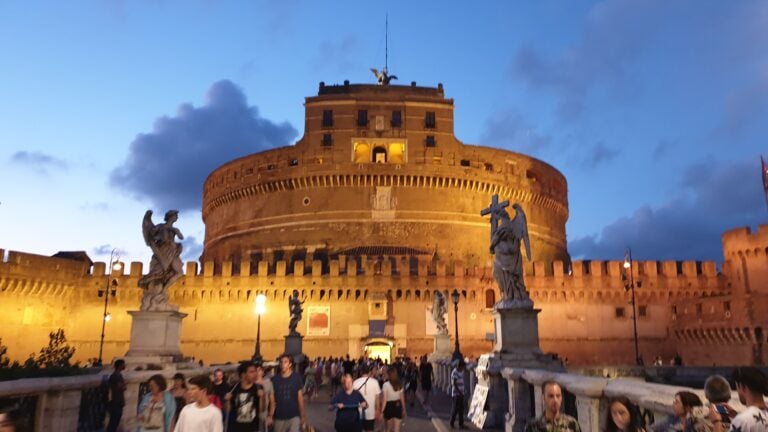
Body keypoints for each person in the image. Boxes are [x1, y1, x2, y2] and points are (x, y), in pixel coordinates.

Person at [711, 367, 768, 432]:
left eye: (737, 387)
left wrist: (716, 422)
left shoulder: (743, 420)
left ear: (743, 387)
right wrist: (736, 415)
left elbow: (746, 422)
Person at [270, 354, 306, 432]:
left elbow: (300, 397)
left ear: (290, 364)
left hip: (294, 415)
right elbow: (272, 400)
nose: (283, 364)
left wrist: (302, 416)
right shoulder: (274, 380)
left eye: (285, 362)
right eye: (281, 362)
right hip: (279, 416)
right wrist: (270, 416)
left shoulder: (296, 378)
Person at [226, 362, 265, 432]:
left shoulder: (258, 388)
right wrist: (227, 400)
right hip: (236, 428)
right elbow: (227, 410)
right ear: (243, 374)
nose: (255, 374)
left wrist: (262, 397)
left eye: (255, 371)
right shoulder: (233, 389)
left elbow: (261, 409)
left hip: (253, 428)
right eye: (252, 372)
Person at [353, 364, 382, 432]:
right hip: (371, 412)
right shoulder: (374, 382)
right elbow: (378, 398)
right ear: (369, 372)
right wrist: (378, 410)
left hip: (358, 412)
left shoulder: (355, 382)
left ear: (360, 372)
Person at [381, 368, 406, 432]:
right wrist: (404, 409)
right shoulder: (399, 384)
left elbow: (385, 400)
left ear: (389, 375)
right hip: (397, 405)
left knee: (388, 429)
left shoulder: (385, 385)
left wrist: (381, 411)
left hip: (388, 406)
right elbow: (402, 398)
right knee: (397, 429)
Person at [106, 359, 126, 432]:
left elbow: (123, 386)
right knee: (113, 422)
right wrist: (123, 385)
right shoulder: (115, 376)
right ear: (120, 366)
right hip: (115, 402)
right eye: (123, 364)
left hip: (119, 402)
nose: (125, 366)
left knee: (116, 422)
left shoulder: (119, 375)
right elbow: (122, 387)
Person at [255, 363, 275, 432]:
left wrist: (270, 416)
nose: (257, 372)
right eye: (255, 370)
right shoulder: (250, 383)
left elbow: (272, 401)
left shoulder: (268, 383)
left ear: (262, 372)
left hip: (263, 415)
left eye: (259, 370)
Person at [450, 360, 466, 429]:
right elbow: (454, 383)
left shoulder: (461, 372)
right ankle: (452, 423)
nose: (463, 369)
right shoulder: (455, 372)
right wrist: (459, 392)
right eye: (463, 367)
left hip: (461, 393)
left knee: (461, 409)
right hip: (456, 394)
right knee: (455, 409)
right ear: (460, 366)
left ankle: (461, 424)